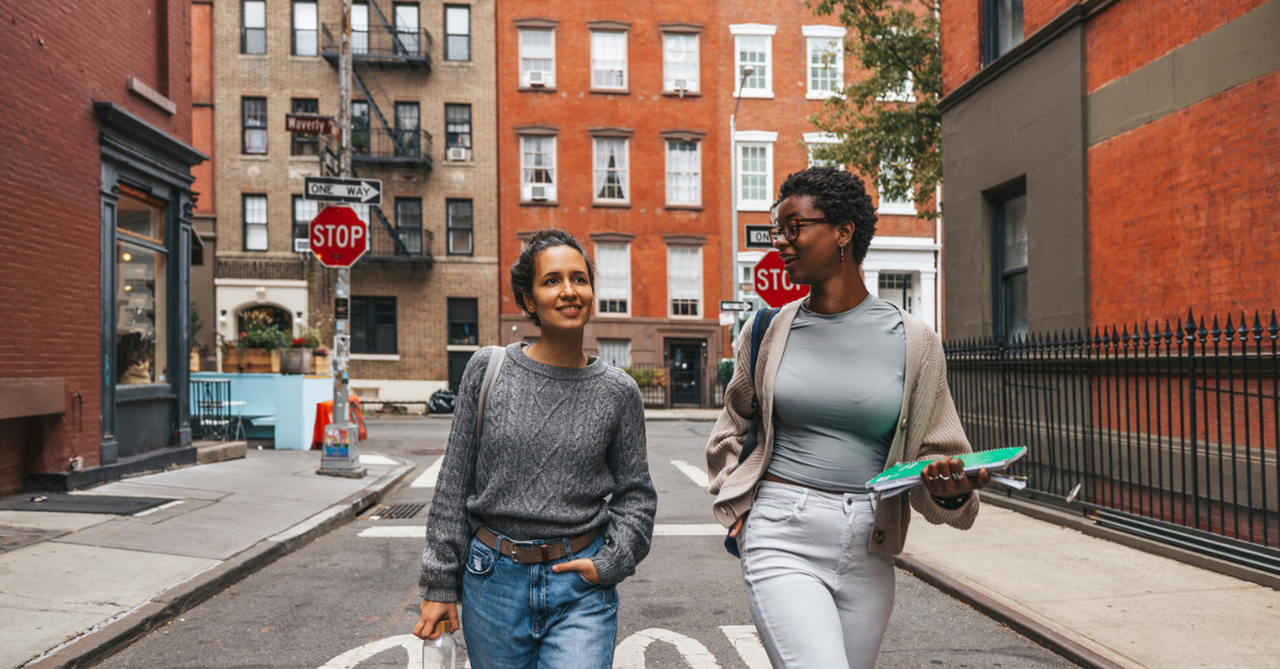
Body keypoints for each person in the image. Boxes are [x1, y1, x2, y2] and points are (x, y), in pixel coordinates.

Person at [706, 167, 989, 669]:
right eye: (778, 229)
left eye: (794, 227)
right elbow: (734, 424)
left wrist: (954, 489)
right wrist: (737, 501)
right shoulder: (768, 328)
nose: (782, 243)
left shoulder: (915, 341)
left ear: (843, 231)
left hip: (869, 541)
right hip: (781, 530)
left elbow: (935, 457)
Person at [414, 228, 657, 669]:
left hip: (580, 582)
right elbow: (453, 484)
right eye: (552, 281)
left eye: (579, 279)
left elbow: (636, 495)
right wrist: (439, 586)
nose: (569, 291)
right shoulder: (489, 370)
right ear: (528, 301)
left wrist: (612, 562)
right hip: (492, 583)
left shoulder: (619, 391)